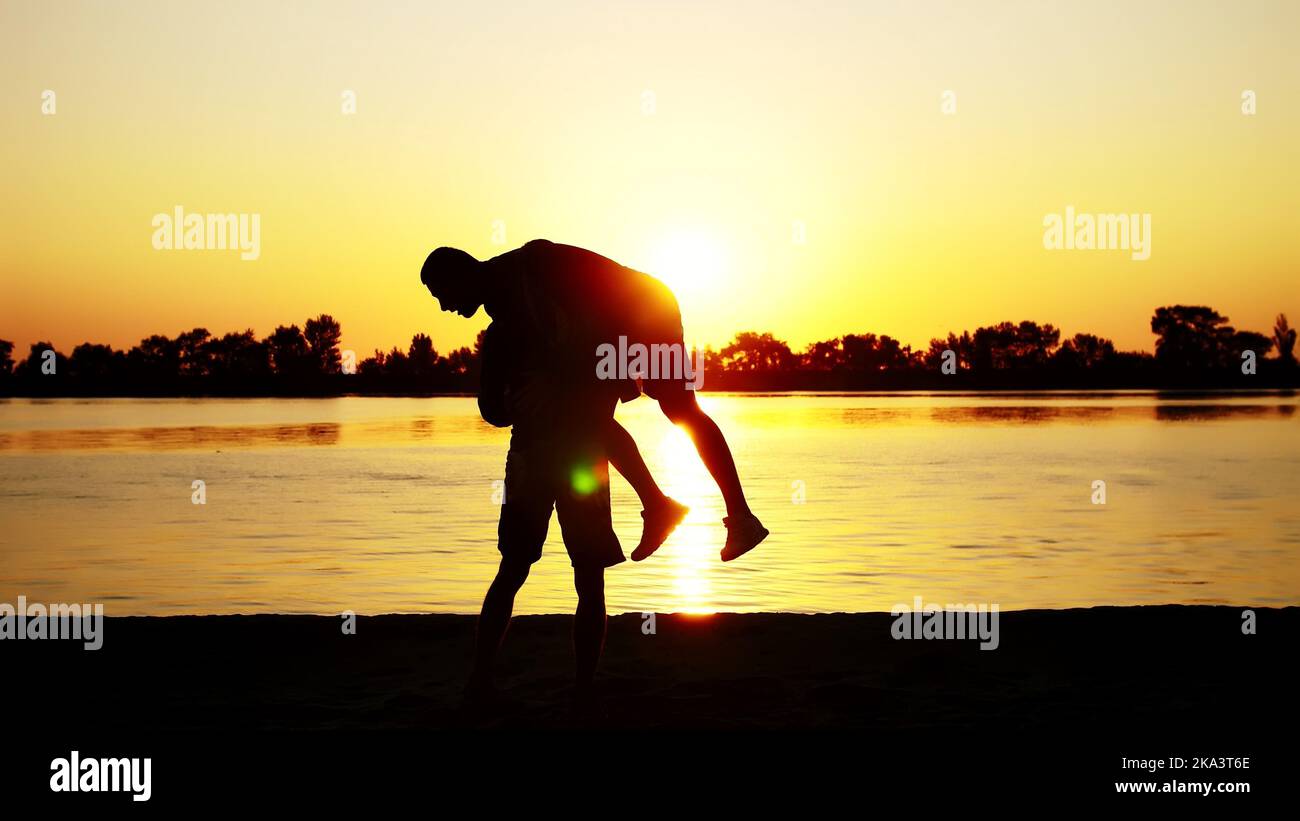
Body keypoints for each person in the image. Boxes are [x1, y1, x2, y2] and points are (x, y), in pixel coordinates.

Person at [421, 239, 768, 561]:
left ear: (461, 274)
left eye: (442, 293)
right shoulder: (505, 303)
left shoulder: (528, 267)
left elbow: (587, 316)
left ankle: (728, 516)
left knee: (665, 411)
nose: (443, 306)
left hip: (645, 309)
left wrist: (609, 374)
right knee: (593, 414)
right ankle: (675, 508)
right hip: (630, 316)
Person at [468, 317, 621, 716]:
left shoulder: (509, 327)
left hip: (550, 458)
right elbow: (492, 408)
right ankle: (579, 689)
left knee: (524, 569)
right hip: (568, 459)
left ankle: (483, 682)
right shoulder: (585, 321)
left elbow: (492, 409)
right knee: (579, 574)